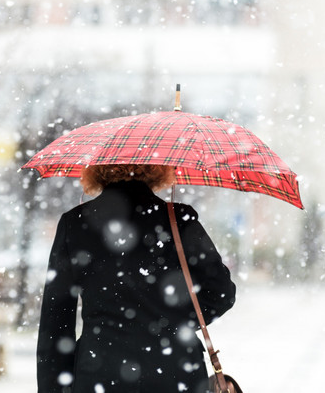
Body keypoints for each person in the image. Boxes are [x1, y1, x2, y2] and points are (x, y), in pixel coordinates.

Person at [36, 164, 237, 393]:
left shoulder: (75, 224)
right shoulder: (178, 219)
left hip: (100, 371)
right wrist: (173, 322)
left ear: (96, 170)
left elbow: (56, 320)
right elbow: (222, 294)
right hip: (175, 370)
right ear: (158, 169)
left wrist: (52, 388)